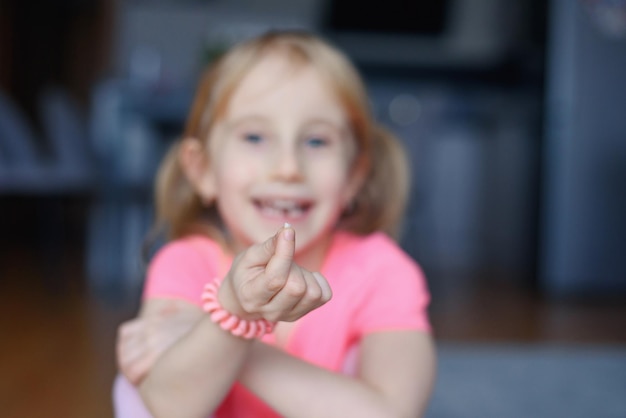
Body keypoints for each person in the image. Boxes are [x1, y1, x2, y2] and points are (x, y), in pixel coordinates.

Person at [114, 29, 436, 418]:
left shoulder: (384, 272)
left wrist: (235, 329)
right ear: (203, 170)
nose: (287, 168)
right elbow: (168, 405)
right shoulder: (184, 263)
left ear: (354, 176)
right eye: (254, 137)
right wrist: (231, 312)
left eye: (317, 142)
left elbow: (392, 412)